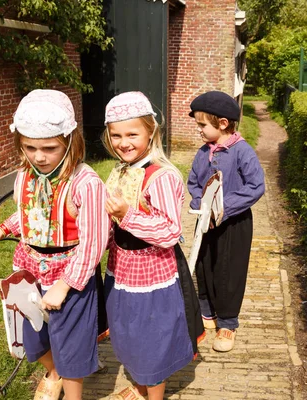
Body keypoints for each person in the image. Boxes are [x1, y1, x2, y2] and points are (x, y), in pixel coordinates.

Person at [0, 89, 110, 400]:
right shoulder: (26, 174)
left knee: (71, 344)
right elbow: (30, 213)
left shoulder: (86, 183)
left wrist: (65, 285)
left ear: (70, 142)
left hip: (70, 274)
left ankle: (73, 390)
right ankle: (53, 372)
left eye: (49, 148)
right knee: (34, 340)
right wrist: (3, 229)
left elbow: (94, 242)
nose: (39, 156)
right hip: (29, 270)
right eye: (30, 147)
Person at [102, 91, 204, 400]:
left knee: (149, 338)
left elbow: (169, 231)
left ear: (151, 133)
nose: (124, 142)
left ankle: (153, 394)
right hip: (121, 267)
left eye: (132, 133)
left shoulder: (162, 177)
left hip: (151, 273)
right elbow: (110, 221)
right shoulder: (119, 171)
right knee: (128, 333)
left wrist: (126, 214)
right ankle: (141, 386)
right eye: (116, 135)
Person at [187, 90, 265, 353]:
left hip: (234, 224)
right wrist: (201, 205)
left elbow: (256, 186)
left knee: (229, 271)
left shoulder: (242, 151)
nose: (199, 130)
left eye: (202, 125)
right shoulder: (203, 152)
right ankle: (207, 313)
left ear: (222, 124)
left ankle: (228, 323)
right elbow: (194, 183)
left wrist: (222, 209)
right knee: (204, 264)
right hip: (205, 223)